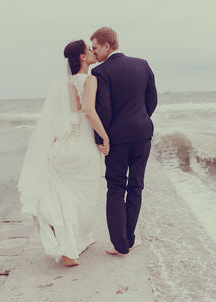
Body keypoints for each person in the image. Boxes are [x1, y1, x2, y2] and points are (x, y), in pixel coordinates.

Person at [17, 39, 110, 267]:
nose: (91, 52)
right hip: (83, 146)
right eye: (88, 50)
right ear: (81, 56)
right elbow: (89, 111)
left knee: (63, 194)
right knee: (85, 198)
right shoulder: (89, 79)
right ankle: (72, 246)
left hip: (64, 145)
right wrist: (105, 136)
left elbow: (60, 118)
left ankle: (72, 242)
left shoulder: (64, 84)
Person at [90, 27, 157, 255]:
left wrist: (101, 138)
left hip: (118, 139)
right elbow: (152, 100)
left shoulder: (101, 72)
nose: (94, 52)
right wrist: (140, 120)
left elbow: (104, 109)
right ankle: (129, 239)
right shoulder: (143, 64)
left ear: (108, 45)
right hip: (142, 133)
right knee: (136, 185)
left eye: (96, 47)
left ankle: (121, 245)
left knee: (115, 188)